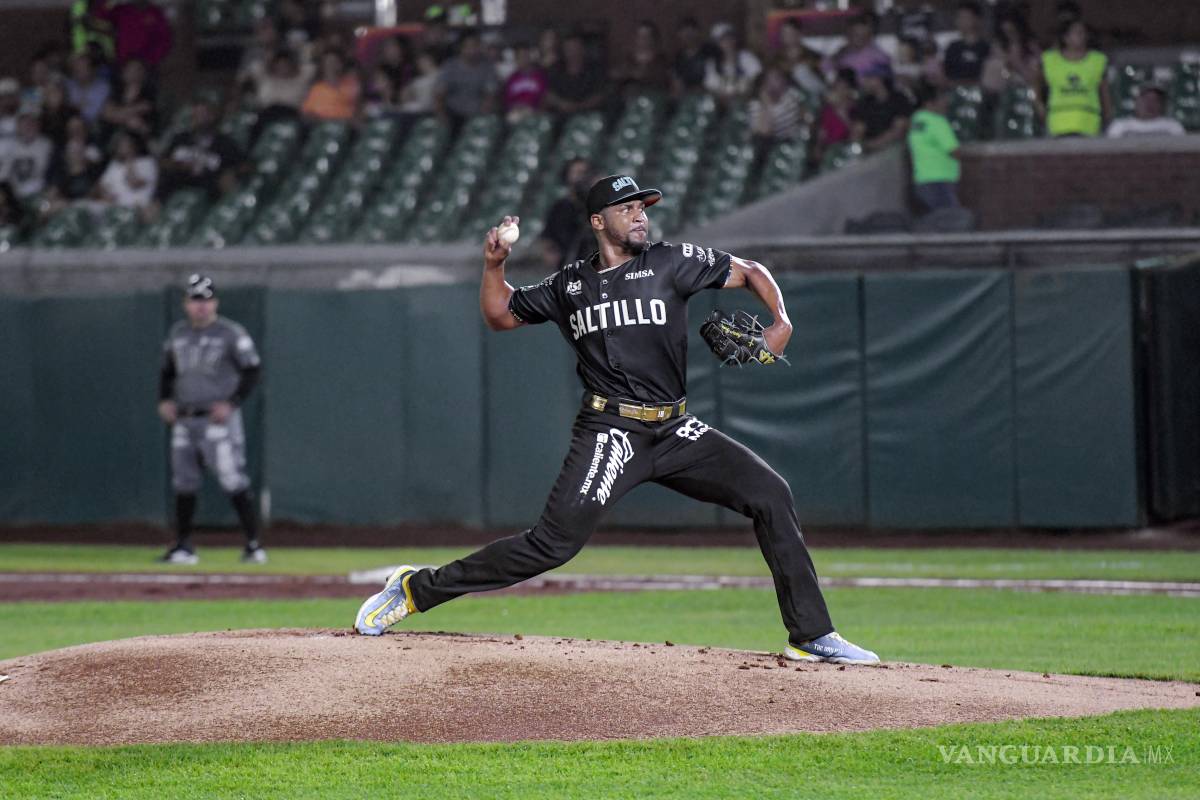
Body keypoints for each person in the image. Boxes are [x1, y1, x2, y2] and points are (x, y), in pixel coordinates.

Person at [352, 174, 881, 667]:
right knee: (551, 546)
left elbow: (750, 272)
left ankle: (810, 635)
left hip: (676, 430)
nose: (639, 216)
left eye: (642, 208)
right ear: (598, 221)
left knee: (770, 492)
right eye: (626, 208)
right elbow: (500, 315)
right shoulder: (570, 285)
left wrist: (781, 321)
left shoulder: (673, 261)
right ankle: (415, 589)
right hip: (612, 432)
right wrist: (494, 266)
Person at [158, 274, 265, 566]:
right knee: (184, 482)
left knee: (233, 477)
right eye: (195, 299)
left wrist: (232, 403)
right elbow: (167, 371)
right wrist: (164, 399)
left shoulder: (231, 333)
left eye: (205, 300)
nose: (201, 306)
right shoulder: (178, 334)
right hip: (185, 417)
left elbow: (252, 370)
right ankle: (182, 545)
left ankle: (253, 545)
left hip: (217, 421)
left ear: (215, 302)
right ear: (186, 303)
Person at [156, 98, 244, 203]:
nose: (198, 118)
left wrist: (229, 173)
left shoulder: (225, 143)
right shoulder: (181, 138)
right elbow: (162, 161)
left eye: (203, 114)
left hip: (209, 189)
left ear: (213, 116)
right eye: (195, 114)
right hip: (177, 184)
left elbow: (244, 165)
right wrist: (178, 165)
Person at [1037, 18, 1111, 137]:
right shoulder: (1049, 60)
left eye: (1083, 33)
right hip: (1058, 123)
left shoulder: (1098, 60)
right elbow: (1036, 83)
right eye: (1077, 33)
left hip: (1088, 123)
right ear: (1065, 38)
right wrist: (1039, 104)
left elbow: (1105, 93)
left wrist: (1107, 115)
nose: (1082, 36)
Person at [907, 82, 961, 211]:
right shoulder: (937, 122)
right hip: (940, 182)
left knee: (934, 223)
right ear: (929, 103)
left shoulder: (916, 120)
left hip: (922, 181)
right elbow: (954, 151)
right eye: (941, 100)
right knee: (951, 221)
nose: (945, 103)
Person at [538, 156, 594, 268]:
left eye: (584, 172)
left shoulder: (598, 204)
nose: (581, 177)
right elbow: (547, 239)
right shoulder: (560, 207)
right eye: (576, 172)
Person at [435, 31, 498, 129]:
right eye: (468, 47)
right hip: (453, 116)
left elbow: (490, 95)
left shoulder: (487, 67)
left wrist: (481, 118)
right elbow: (439, 95)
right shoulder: (450, 66)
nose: (472, 50)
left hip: (478, 116)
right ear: (461, 48)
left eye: (475, 46)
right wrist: (442, 117)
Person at [851, 64, 913, 153]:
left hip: (899, 149)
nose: (864, 82)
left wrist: (874, 144)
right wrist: (859, 143)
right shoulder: (865, 103)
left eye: (869, 78)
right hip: (873, 153)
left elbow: (899, 129)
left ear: (880, 79)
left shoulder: (899, 99)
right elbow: (858, 129)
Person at [545, 32, 606, 114]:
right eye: (568, 49)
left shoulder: (595, 69)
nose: (572, 53)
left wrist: (580, 106)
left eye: (575, 48)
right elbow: (547, 93)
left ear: (583, 49)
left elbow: (601, 94)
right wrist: (561, 104)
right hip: (559, 115)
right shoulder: (555, 69)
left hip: (588, 116)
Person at [95, 129, 156, 210]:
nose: (123, 147)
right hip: (114, 205)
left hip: (136, 206)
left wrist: (129, 161)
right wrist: (106, 195)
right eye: (120, 144)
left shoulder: (147, 162)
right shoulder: (114, 165)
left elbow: (133, 184)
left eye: (126, 143)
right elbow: (101, 186)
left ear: (134, 144)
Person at [99, 57, 158, 139]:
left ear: (143, 74)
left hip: (136, 142)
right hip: (110, 140)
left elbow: (146, 128)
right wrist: (131, 113)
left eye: (136, 69)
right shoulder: (116, 92)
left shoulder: (147, 96)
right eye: (129, 68)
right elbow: (107, 114)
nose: (131, 72)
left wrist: (116, 113)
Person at [750, 65, 808, 147]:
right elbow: (764, 132)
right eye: (772, 79)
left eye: (779, 77)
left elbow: (804, 117)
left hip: (795, 141)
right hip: (771, 146)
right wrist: (766, 104)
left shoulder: (791, 94)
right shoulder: (756, 105)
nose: (781, 81)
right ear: (764, 83)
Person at [704, 24, 762, 106]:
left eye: (729, 38)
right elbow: (711, 87)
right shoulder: (712, 63)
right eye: (722, 40)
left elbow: (758, 79)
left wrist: (741, 94)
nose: (727, 42)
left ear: (735, 39)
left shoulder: (747, 57)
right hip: (721, 105)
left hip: (746, 101)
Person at [0, 111, 54, 200]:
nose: (28, 127)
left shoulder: (47, 145)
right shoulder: (10, 147)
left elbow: (51, 174)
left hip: (40, 193)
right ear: (18, 127)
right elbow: (3, 174)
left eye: (31, 123)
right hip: (13, 194)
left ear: (38, 125)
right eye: (24, 124)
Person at [826, 12, 890, 83]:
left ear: (870, 36)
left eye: (864, 35)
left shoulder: (878, 57)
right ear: (848, 35)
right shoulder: (842, 53)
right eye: (856, 35)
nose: (860, 39)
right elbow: (825, 69)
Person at [1107, 84, 1186, 137]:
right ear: (1136, 102)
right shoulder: (1120, 126)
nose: (1150, 103)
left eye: (1155, 100)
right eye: (1146, 99)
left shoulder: (1173, 126)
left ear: (1161, 104)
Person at [301, 49, 360, 122]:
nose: (331, 65)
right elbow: (307, 112)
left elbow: (359, 109)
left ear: (341, 64)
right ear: (323, 65)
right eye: (328, 62)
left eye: (335, 62)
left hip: (346, 127)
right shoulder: (316, 89)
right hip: (322, 127)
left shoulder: (352, 84)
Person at [618, 20, 672, 98]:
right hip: (631, 100)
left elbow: (664, 79)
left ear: (654, 39)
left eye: (646, 37)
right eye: (640, 37)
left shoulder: (662, 60)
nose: (643, 40)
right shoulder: (629, 59)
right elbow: (621, 75)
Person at [942, 1, 991, 85]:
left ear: (977, 19)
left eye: (965, 17)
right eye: (959, 17)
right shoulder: (952, 47)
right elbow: (946, 74)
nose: (961, 21)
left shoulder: (986, 48)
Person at [776, 18, 824, 96]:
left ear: (799, 33)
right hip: (786, 98)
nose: (785, 37)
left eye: (789, 33)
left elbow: (823, 82)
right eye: (783, 33)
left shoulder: (814, 56)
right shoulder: (776, 59)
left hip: (812, 98)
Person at [503, 43, 546, 122]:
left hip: (534, 112)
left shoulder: (539, 76)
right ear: (516, 59)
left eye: (525, 56)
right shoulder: (512, 78)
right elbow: (507, 101)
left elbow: (543, 98)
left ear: (530, 57)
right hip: (515, 112)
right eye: (519, 57)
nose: (523, 59)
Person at [671, 17, 714, 95]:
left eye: (691, 32)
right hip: (687, 97)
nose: (688, 37)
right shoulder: (678, 57)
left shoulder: (709, 52)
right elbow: (677, 82)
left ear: (698, 32)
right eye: (685, 33)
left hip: (707, 95)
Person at [64, 52, 110, 124]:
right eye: (76, 67)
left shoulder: (103, 87)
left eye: (83, 67)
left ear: (92, 69)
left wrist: (76, 108)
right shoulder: (68, 85)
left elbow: (94, 114)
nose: (79, 71)